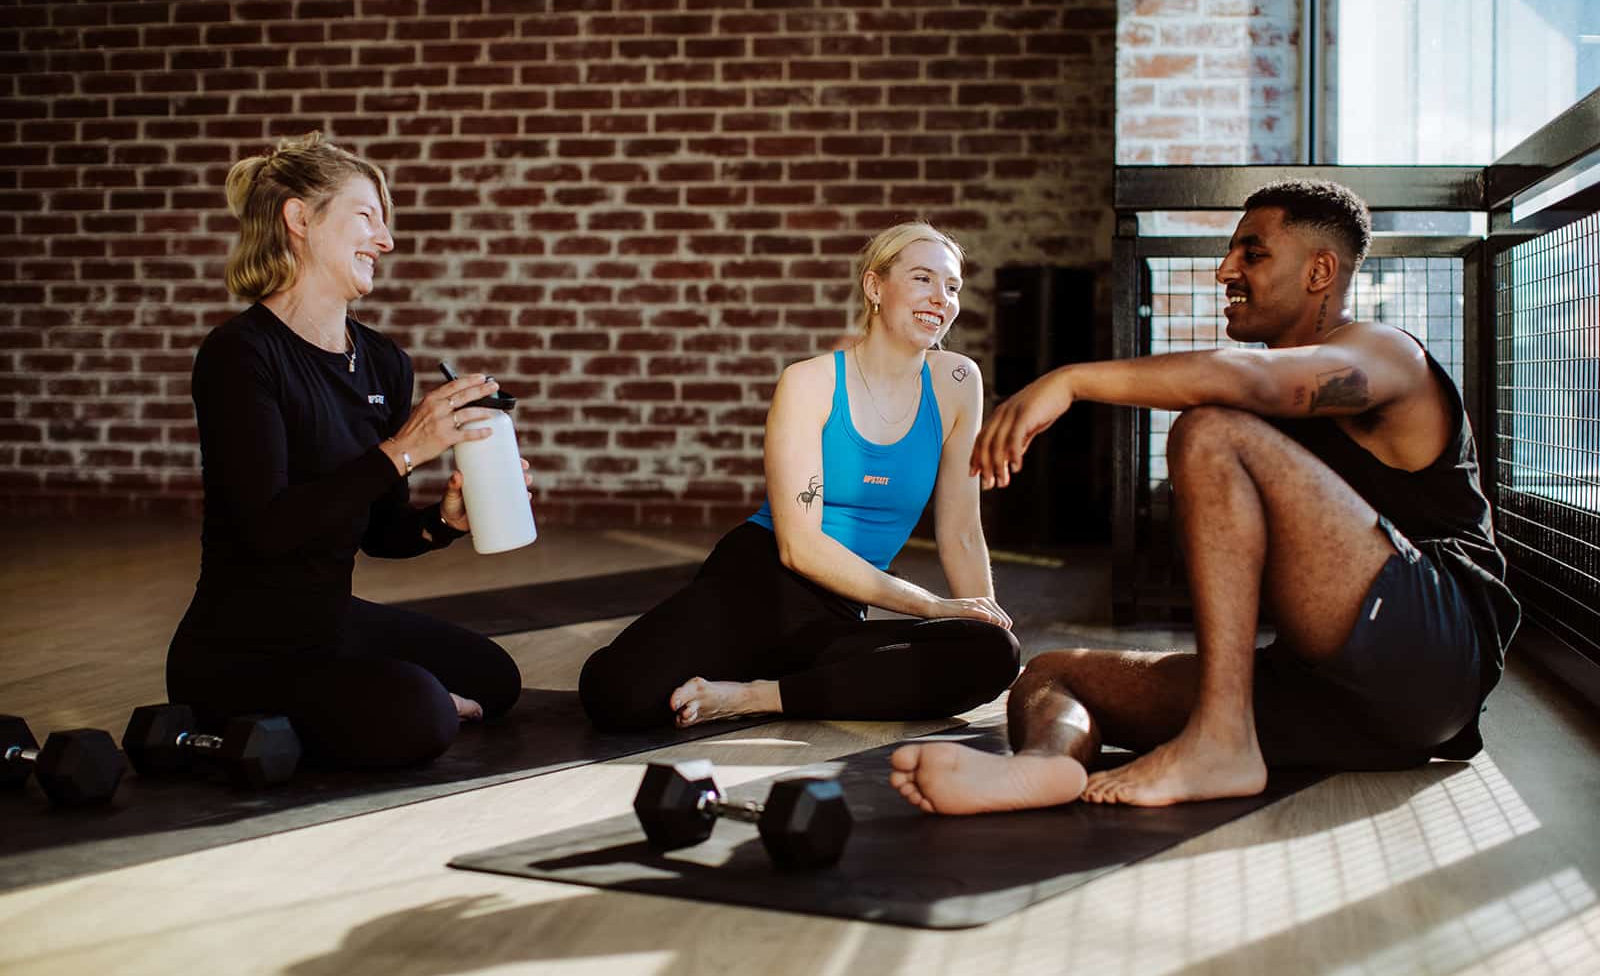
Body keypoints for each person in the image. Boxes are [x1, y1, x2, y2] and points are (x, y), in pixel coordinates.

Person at [890, 179, 1519, 812]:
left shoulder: (1387, 354)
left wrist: (1071, 380)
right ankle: (1044, 767)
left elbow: (1252, 381)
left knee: (1209, 429)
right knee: (1053, 674)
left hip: (1434, 650)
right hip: (1326, 690)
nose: (1225, 270)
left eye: (1253, 252)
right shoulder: (1267, 408)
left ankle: (1220, 740)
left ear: (1320, 271)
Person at [165, 131, 525, 770]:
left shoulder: (384, 361)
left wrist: (444, 523)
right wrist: (403, 450)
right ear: (299, 219)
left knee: (495, 677)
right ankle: (402, 707)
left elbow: (381, 533)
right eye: (366, 217)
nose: (385, 241)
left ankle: (389, 706)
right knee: (421, 714)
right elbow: (266, 530)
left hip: (330, 625)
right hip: (240, 651)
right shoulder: (241, 355)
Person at [579, 222, 1022, 731]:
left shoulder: (958, 382)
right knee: (616, 696)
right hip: (759, 581)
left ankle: (759, 695)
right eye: (923, 279)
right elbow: (799, 548)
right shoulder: (809, 382)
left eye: (952, 287)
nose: (940, 298)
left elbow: (962, 531)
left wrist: (979, 615)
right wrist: (932, 605)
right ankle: (767, 674)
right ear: (875, 287)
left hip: (839, 611)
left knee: (993, 654)